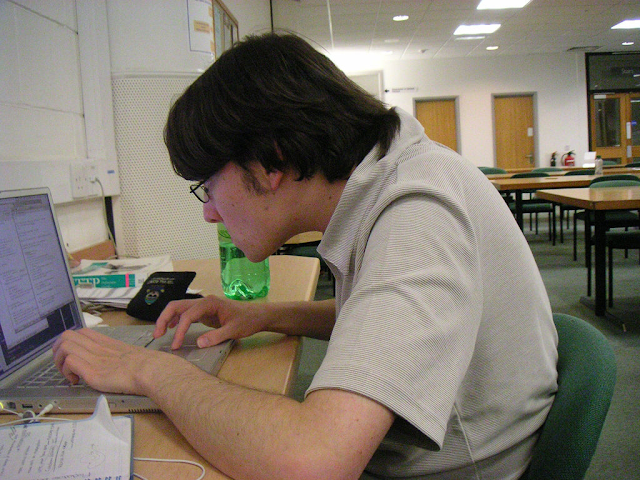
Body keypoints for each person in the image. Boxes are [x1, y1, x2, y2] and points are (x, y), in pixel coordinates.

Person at [53, 33, 558, 480]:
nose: (209, 213)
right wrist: (264, 315)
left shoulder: (417, 217)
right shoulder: (395, 178)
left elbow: (314, 463)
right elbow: (379, 318)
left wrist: (148, 370)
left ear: (270, 160)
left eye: (208, 186)